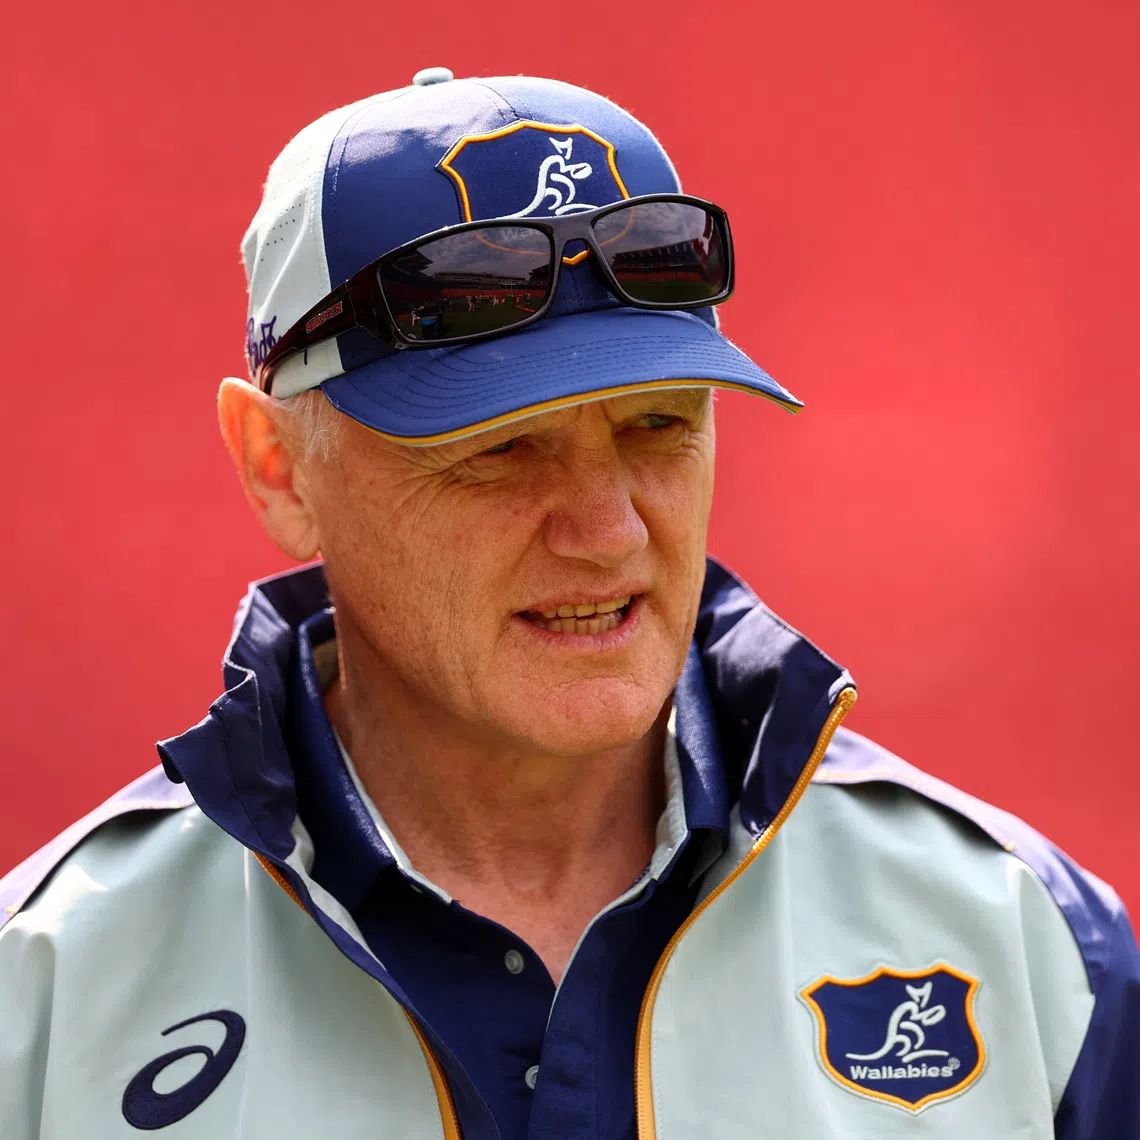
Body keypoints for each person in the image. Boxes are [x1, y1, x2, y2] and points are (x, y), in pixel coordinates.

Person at [0, 68, 1136, 1140]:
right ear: (278, 468)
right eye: (500, 447)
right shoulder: (44, 996)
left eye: (659, 426)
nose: (608, 532)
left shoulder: (1034, 950)